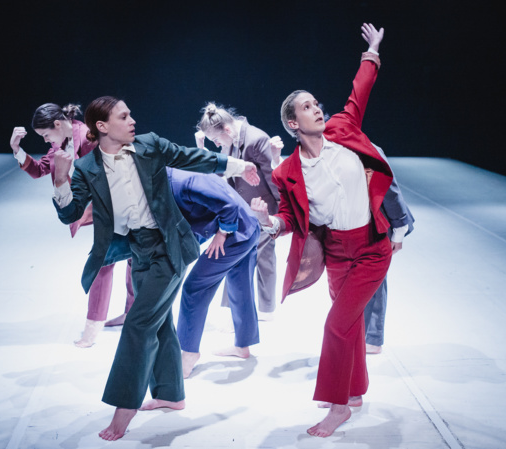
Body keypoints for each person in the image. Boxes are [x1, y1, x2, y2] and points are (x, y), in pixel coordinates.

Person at [51, 96, 259, 441]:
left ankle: (124, 409)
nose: (132, 120)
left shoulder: (149, 145)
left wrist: (237, 166)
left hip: (170, 248)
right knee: (159, 324)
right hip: (137, 250)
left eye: (130, 114)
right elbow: (70, 214)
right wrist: (60, 180)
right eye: (123, 116)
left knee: (138, 325)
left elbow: (192, 157)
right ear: (102, 126)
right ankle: (170, 394)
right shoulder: (88, 167)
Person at [250, 23, 392, 437]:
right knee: (350, 322)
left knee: (336, 325)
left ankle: (337, 405)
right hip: (336, 254)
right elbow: (289, 219)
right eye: (307, 107)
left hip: (371, 248)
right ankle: (355, 390)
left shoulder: (342, 130)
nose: (317, 109)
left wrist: (372, 51)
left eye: (316, 104)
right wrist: (269, 222)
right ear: (292, 123)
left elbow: (359, 91)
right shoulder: (286, 171)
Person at [9, 103, 134, 347]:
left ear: (58, 124)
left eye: (46, 135)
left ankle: (93, 329)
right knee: (128, 258)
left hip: (121, 204)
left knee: (107, 262)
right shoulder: (61, 144)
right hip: (105, 208)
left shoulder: (88, 136)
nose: (46, 141)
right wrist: (16, 149)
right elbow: (39, 169)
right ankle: (129, 314)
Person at [167, 167, 261, 378]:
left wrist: (223, 232)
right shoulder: (178, 174)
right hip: (248, 226)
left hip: (236, 232)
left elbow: (229, 206)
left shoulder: (182, 181)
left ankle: (189, 353)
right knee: (241, 287)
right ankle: (243, 346)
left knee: (194, 288)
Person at [194, 104, 282, 321]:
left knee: (259, 256)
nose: (217, 144)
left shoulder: (256, 139)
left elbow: (272, 176)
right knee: (242, 255)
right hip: (241, 209)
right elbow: (221, 171)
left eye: (216, 140)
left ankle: (264, 309)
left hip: (262, 208)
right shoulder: (231, 139)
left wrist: (281, 209)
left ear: (226, 129)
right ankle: (238, 307)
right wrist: (201, 149)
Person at [364, 143, 415, 355]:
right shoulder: (323, 146)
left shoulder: (366, 148)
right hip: (342, 223)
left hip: (373, 221)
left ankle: (371, 337)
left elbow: (388, 188)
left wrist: (399, 229)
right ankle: (362, 335)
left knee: (374, 279)